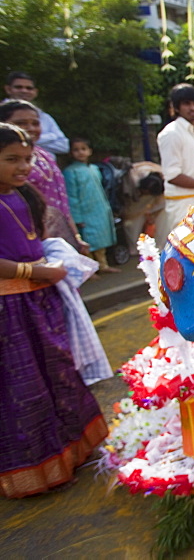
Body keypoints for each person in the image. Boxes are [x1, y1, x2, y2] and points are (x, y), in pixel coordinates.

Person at [0, 122, 108, 497]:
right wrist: (37, 271)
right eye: (12, 159)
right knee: (24, 387)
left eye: (27, 159)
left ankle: (72, 450)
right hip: (9, 309)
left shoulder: (23, 195)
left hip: (39, 299)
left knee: (59, 373)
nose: (23, 167)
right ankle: (35, 468)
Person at [0, 100, 87, 254]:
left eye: (35, 123)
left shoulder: (43, 156)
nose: (30, 128)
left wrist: (75, 236)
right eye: (21, 123)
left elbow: (61, 201)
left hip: (53, 239)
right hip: (20, 246)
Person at [155, 83, 194, 249]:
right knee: (186, 249)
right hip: (181, 203)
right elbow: (172, 176)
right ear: (177, 107)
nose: (193, 108)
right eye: (187, 104)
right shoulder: (171, 133)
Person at [62, 138, 119, 273]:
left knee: (101, 238)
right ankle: (89, 270)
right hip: (84, 211)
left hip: (98, 208)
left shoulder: (94, 169)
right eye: (76, 150)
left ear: (89, 151)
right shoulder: (70, 172)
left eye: (83, 149)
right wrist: (77, 217)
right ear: (71, 153)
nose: (80, 152)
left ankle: (103, 265)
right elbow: (72, 196)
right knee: (87, 241)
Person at [3, 72, 69, 156]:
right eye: (18, 87)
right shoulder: (2, 112)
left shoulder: (45, 117)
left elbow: (64, 146)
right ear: (8, 89)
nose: (24, 91)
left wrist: (27, 140)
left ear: (35, 92)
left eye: (29, 88)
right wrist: (51, 137)